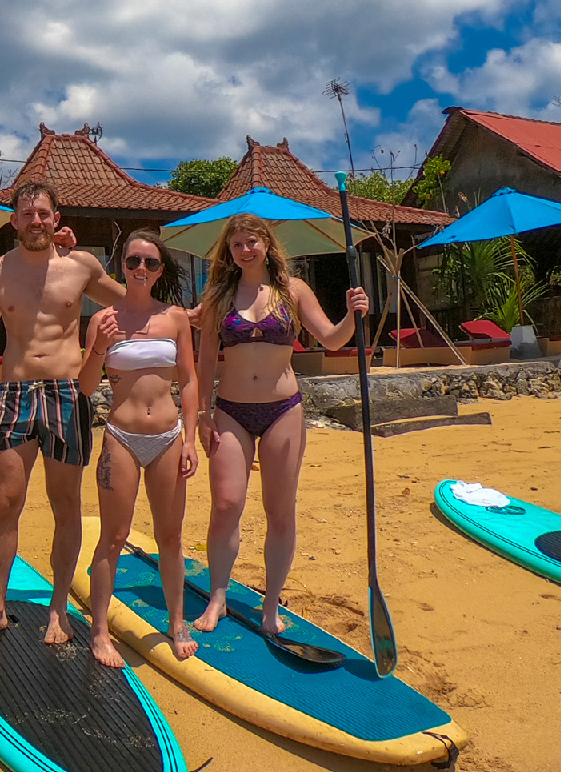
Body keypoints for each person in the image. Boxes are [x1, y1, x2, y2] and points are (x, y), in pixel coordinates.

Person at [0, 182, 127, 648]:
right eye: (27, 214)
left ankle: (57, 607)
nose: (36, 220)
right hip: (14, 392)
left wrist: (187, 316)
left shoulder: (82, 266)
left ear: (56, 218)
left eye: (43, 213)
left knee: (66, 503)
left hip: (67, 393)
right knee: (6, 503)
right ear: (13, 221)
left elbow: (130, 302)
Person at [192, 213, 366, 636]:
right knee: (226, 504)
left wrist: (352, 314)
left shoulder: (293, 291)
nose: (246, 249)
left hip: (282, 410)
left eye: (252, 241)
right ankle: (218, 597)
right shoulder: (218, 295)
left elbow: (331, 338)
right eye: (237, 245)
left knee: (279, 510)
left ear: (267, 244)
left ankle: (271, 605)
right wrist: (199, 414)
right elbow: (204, 360)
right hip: (231, 411)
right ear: (229, 252)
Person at [76, 232, 200, 666]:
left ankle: (177, 622)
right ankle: (99, 630)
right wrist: (100, 347)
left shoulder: (176, 318)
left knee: (170, 536)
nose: (140, 269)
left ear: (160, 269)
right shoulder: (103, 320)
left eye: (149, 262)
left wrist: (191, 438)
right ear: (121, 267)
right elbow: (86, 387)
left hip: (169, 437)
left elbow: (188, 379)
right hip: (121, 438)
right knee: (113, 536)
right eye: (132, 262)